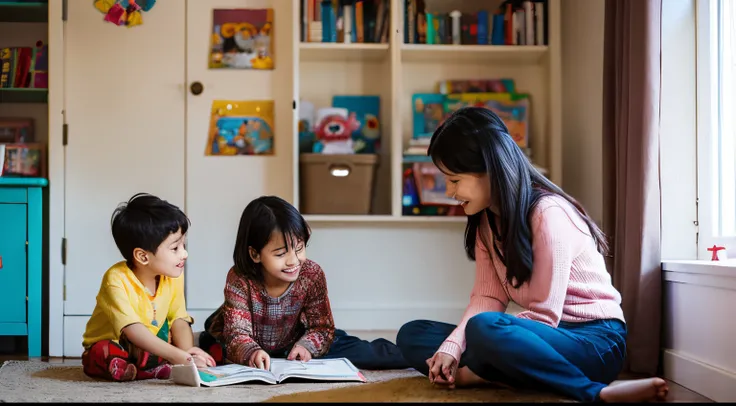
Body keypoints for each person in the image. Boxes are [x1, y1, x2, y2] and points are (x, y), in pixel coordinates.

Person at [395, 107, 669, 403]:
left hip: (593, 342)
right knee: (413, 334)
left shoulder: (548, 213)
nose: (449, 191)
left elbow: (544, 315)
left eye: (454, 180)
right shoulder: (486, 223)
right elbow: (488, 298)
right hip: (538, 337)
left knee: (484, 329)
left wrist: (478, 344)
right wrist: (452, 346)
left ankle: (595, 393)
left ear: (490, 169)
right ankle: (499, 371)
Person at [198, 195, 408, 371]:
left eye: (299, 248)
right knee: (215, 351)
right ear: (254, 254)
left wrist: (307, 346)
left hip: (296, 339)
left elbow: (323, 327)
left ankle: (422, 353)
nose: (293, 260)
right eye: (280, 253)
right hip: (249, 338)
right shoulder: (240, 278)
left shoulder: (311, 274)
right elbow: (237, 333)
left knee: (366, 354)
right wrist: (252, 352)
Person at [81, 193, 215, 381]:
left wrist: (187, 352)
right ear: (143, 256)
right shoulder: (116, 279)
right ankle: (137, 367)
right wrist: (178, 357)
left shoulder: (172, 275)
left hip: (147, 348)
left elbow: (178, 319)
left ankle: (147, 368)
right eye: (175, 248)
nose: (184, 254)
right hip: (119, 344)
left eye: (183, 244)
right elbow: (133, 331)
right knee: (101, 352)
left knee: (163, 343)